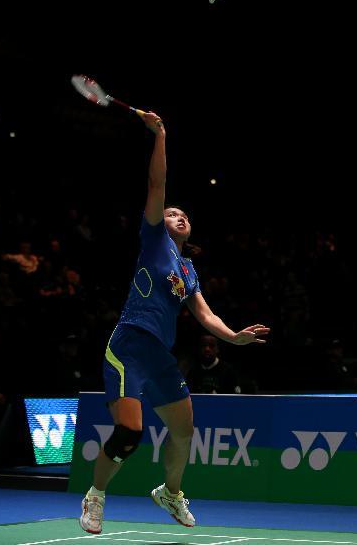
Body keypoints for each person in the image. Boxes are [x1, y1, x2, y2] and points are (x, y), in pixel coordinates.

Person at [79, 111, 270, 534]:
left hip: (161, 356)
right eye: (171, 213)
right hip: (129, 345)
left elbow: (204, 314)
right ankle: (96, 495)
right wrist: (161, 134)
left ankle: (170, 492)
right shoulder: (153, 241)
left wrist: (234, 337)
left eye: (183, 215)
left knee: (184, 432)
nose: (177, 216)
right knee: (129, 434)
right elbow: (156, 184)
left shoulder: (187, 271)